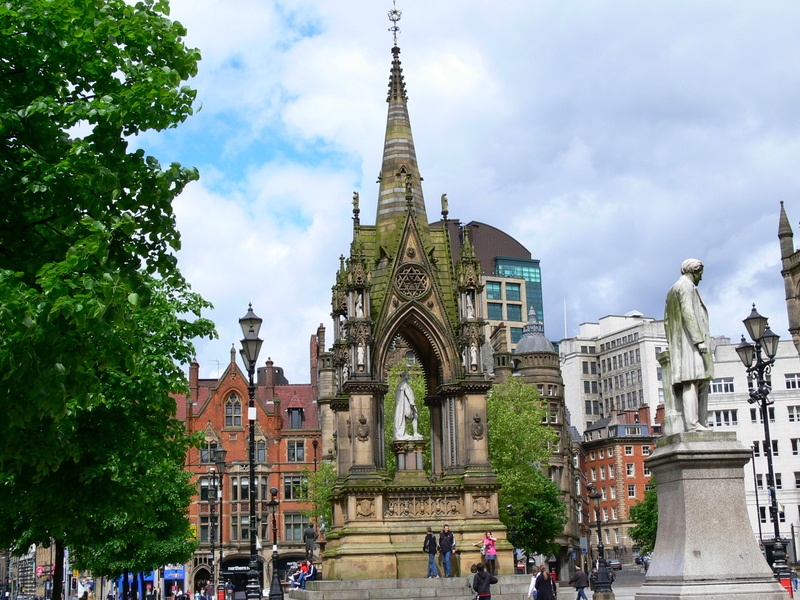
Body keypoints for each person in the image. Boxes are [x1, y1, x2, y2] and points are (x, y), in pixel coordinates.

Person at [664, 258, 713, 433]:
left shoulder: (673, 289)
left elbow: (668, 322)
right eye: (700, 273)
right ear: (694, 271)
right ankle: (693, 424)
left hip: (681, 342)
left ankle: (697, 422)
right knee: (691, 382)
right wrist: (699, 340)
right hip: (689, 343)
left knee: (694, 381)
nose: (701, 277)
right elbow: (688, 313)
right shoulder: (685, 286)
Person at [394, 371, 422, 440]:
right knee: (413, 416)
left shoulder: (404, 384)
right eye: (407, 375)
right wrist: (412, 402)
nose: (408, 376)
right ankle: (406, 433)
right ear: (404, 376)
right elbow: (408, 393)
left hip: (407, 404)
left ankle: (411, 433)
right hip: (407, 404)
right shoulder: (403, 384)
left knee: (412, 417)